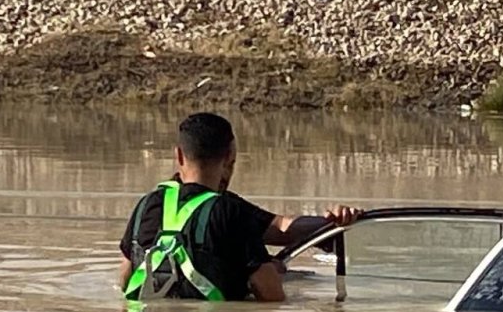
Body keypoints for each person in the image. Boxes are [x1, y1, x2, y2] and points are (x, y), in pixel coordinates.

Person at [118, 112, 361, 302]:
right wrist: (273, 272)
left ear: (179, 156)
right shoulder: (230, 212)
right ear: (230, 156)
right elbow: (272, 297)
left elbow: (125, 281)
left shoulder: (145, 206)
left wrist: (331, 226)